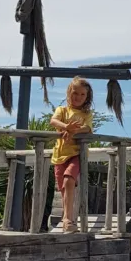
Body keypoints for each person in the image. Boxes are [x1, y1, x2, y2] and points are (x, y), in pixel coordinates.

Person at [50, 77, 94, 233]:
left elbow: (87, 128)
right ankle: (68, 219)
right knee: (63, 188)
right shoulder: (62, 110)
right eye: (76, 93)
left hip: (76, 153)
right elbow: (54, 121)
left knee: (69, 179)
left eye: (82, 95)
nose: (78, 97)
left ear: (87, 97)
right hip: (60, 155)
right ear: (69, 93)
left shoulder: (86, 114)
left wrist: (73, 130)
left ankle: (68, 219)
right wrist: (66, 127)